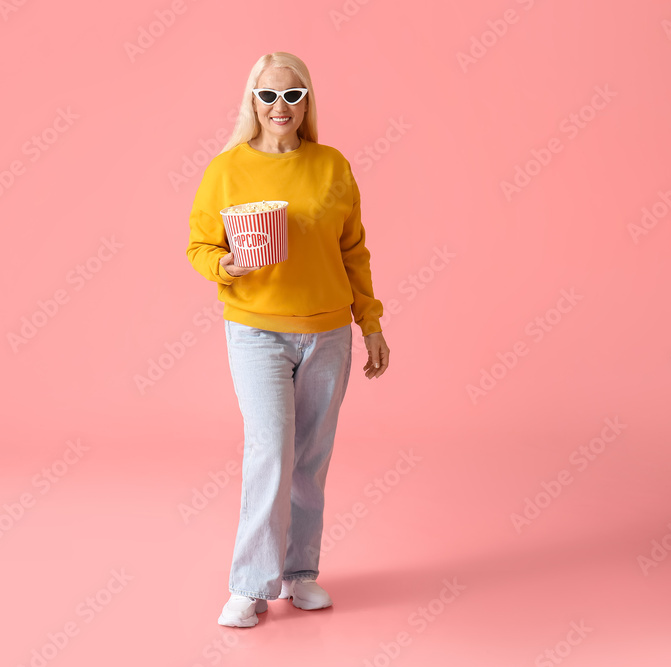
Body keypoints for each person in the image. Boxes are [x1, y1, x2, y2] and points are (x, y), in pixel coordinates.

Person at [186, 51, 391, 628]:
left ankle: (301, 575)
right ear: (253, 101)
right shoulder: (226, 170)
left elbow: (353, 250)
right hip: (255, 330)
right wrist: (227, 264)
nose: (281, 106)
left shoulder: (332, 166)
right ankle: (251, 585)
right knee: (271, 451)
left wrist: (369, 322)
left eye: (293, 95)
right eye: (270, 95)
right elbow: (199, 246)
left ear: (307, 103)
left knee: (310, 459)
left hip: (327, 333)